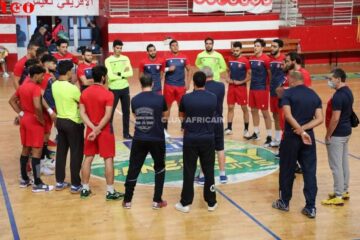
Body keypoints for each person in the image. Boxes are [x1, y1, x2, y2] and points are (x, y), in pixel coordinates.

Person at [272, 71, 323, 219]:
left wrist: (299, 130)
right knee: (309, 171)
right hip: (309, 137)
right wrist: (305, 129)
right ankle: (311, 207)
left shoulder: (288, 94)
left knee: (287, 170)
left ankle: (284, 202)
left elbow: (287, 115)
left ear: (292, 81)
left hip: (291, 137)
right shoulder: (314, 95)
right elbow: (319, 118)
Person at [123, 74, 168, 209]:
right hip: (157, 138)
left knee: (133, 168)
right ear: (153, 84)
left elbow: (136, 116)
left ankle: (127, 201)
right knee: (159, 168)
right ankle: (157, 201)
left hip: (139, 138)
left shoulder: (135, 100)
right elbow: (165, 116)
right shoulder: (160, 98)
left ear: (141, 84)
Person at [175, 71, 217, 213]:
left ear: (193, 82)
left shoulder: (186, 98)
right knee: (209, 170)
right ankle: (211, 202)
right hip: (208, 138)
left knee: (189, 170)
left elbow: (181, 116)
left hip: (191, 139)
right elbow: (212, 115)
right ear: (205, 82)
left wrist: (188, 123)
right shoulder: (213, 98)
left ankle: (185, 203)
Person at [79, 65, 124, 200]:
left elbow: (82, 113)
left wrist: (92, 128)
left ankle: (85, 189)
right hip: (104, 131)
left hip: (90, 130)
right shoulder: (108, 94)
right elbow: (107, 115)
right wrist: (98, 130)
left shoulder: (84, 93)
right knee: (108, 159)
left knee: (88, 158)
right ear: (104, 77)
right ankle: (110, 191)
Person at [8, 65, 54, 192]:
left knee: (26, 149)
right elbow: (37, 106)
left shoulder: (22, 86)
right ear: (36, 75)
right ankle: (38, 183)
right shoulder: (35, 88)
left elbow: (11, 101)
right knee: (37, 152)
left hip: (25, 120)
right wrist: (40, 119)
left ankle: (24, 179)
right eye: (42, 75)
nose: (43, 77)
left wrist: (21, 113)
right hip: (34, 121)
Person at [321, 68, 353, 206]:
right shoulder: (349, 92)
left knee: (336, 166)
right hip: (346, 132)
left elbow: (335, 118)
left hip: (337, 134)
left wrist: (328, 134)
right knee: (343, 162)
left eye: (331, 79)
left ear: (338, 79)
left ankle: (338, 195)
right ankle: (344, 190)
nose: (329, 81)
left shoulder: (338, 96)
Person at [52, 61, 84, 193]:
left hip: (60, 121)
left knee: (61, 152)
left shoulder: (54, 85)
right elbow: (82, 102)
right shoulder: (72, 88)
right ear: (68, 72)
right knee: (76, 153)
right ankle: (76, 184)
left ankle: (59, 182)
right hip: (73, 122)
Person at [245, 38, 272, 147]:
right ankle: (256, 132)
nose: (255, 47)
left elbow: (270, 74)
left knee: (265, 113)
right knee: (253, 110)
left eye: (257, 46)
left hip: (262, 89)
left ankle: (269, 136)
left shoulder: (266, 59)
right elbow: (250, 73)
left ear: (262, 48)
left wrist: (268, 87)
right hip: (252, 88)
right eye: (254, 45)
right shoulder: (251, 59)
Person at [105, 39, 133, 139]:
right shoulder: (108, 60)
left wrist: (119, 74)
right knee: (110, 112)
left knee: (126, 112)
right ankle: (110, 133)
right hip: (113, 89)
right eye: (117, 48)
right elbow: (110, 76)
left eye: (120, 48)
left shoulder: (126, 58)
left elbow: (131, 73)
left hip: (125, 88)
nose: (119, 50)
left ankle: (126, 133)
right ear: (113, 48)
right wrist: (123, 74)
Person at [203, 66, 227, 183]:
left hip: (206, 122)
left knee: (205, 150)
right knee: (220, 148)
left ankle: (202, 176)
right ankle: (223, 175)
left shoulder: (201, 87)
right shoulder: (221, 86)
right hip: (218, 120)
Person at [162, 39, 191, 132]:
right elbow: (162, 69)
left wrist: (188, 83)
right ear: (170, 47)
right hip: (168, 86)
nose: (175, 47)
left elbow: (190, 70)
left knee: (182, 107)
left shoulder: (184, 57)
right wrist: (167, 69)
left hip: (181, 86)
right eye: (173, 45)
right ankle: (164, 127)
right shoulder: (166, 58)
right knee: (167, 107)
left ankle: (183, 126)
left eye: (176, 45)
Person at [224, 41, 251, 137]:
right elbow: (227, 71)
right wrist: (227, 78)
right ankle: (229, 128)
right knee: (230, 107)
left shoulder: (245, 61)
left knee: (244, 108)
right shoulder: (230, 59)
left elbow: (249, 76)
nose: (235, 52)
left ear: (241, 50)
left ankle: (246, 130)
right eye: (234, 50)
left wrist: (241, 82)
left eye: (237, 50)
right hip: (232, 87)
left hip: (241, 88)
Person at [269, 39, 286, 148]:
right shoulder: (270, 60)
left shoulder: (284, 60)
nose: (272, 48)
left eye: (275, 46)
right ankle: (278, 139)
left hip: (282, 94)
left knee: (283, 117)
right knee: (275, 115)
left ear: (280, 48)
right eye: (271, 46)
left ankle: (284, 140)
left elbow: (287, 75)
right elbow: (270, 75)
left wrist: (282, 87)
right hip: (272, 92)